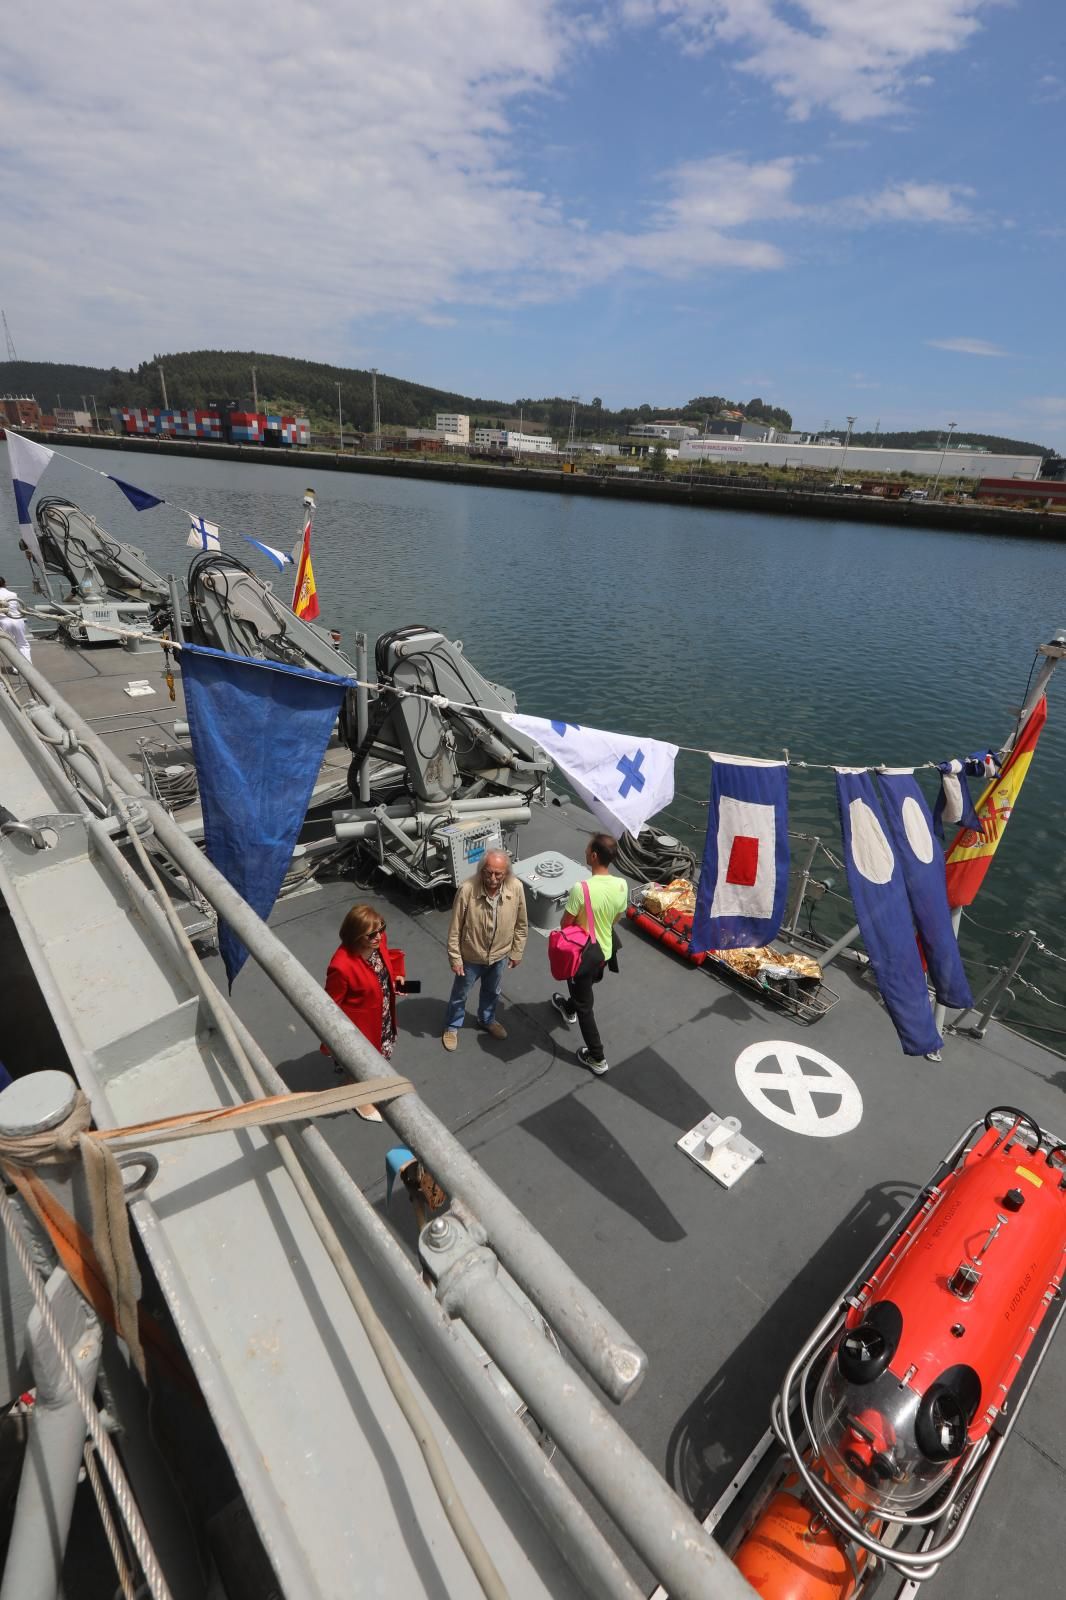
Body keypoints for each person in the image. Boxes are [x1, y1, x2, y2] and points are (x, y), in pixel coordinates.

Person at [551, 833, 628, 1076]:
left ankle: (597, 1057)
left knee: (586, 1007)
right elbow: (617, 917)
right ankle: (568, 1007)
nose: (585, 851)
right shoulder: (622, 885)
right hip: (604, 953)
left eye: (587, 849)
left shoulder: (580, 889)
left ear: (594, 856)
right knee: (583, 992)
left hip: (583, 956)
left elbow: (566, 924)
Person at [322, 904, 406, 1121]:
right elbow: (331, 1005)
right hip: (362, 1030)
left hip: (383, 1020)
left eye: (381, 929)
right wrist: (333, 1042)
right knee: (359, 1065)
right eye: (371, 935)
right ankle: (359, 1098)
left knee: (378, 1059)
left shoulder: (379, 941)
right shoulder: (341, 966)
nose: (379, 936)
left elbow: (389, 960)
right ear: (356, 935)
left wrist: (398, 978)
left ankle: (361, 1085)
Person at [442, 849, 528, 1050]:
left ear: (506, 873)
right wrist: (456, 959)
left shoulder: (516, 888)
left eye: (499, 874)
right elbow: (455, 928)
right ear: (481, 870)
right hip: (471, 956)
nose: (493, 878)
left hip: (499, 955)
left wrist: (517, 952)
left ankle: (487, 1020)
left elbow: (521, 924)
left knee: (492, 991)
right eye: (488, 872)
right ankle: (452, 1026)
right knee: (460, 994)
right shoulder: (467, 890)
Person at [0, 578, 31, 665]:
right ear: (5, 583)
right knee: (23, 644)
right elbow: (18, 607)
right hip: (17, 620)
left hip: (3, 622)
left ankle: (16, 667)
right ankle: (27, 667)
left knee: (10, 645)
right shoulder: (13, 594)